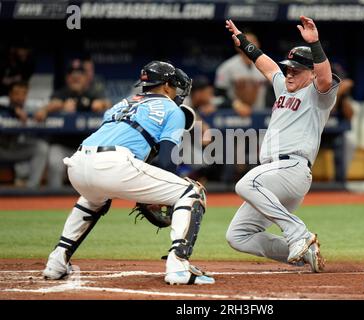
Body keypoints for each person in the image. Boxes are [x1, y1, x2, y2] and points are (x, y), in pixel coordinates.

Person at [42, 61, 215, 285]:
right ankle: (178, 266)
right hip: (113, 164)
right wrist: (158, 195)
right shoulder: (173, 109)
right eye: (174, 85)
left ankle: (56, 262)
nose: (177, 91)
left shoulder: (121, 103)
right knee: (192, 191)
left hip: (78, 162)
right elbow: (167, 161)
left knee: (93, 199)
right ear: (164, 86)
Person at [225, 17, 341, 273]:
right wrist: (244, 42)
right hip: (274, 175)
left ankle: (299, 234)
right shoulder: (283, 88)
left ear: (310, 74)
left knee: (245, 183)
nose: (290, 72)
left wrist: (315, 44)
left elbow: (324, 77)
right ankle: (304, 253)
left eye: (297, 70)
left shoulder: (317, 94)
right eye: (289, 68)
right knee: (238, 236)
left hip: (292, 168)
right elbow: (267, 67)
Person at [34, 63, 111, 189]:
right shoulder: (61, 93)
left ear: (86, 78)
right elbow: (49, 106)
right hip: (61, 144)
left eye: (79, 76)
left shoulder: (93, 93)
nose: (76, 78)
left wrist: (100, 104)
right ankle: (54, 198)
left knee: (97, 168)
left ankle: (90, 201)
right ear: (67, 78)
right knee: (54, 163)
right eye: (72, 76)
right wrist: (59, 107)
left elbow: (106, 104)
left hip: (86, 147)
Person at [0, 81, 48, 188]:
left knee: (41, 148)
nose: (20, 97)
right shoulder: (3, 101)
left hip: (17, 148)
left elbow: (49, 104)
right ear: (10, 94)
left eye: (23, 94)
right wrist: (13, 110)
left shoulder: (29, 105)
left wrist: (44, 110)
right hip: (2, 149)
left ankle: (32, 188)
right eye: (16, 93)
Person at [215, 32, 269, 116]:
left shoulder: (268, 65)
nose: (249, 45)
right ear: (237, 45)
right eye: (246, 42)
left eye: (253, 41)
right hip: (234, 115)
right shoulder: (226, 67)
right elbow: (218, 96)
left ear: (258, 44)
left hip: (262, 113)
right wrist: (234, 104)